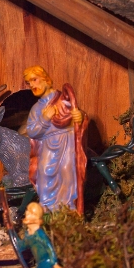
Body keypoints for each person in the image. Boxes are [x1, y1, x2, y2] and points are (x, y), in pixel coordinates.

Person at [23, 66, 88, 213]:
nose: (32, 85)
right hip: (48, 144)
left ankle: (69, 209)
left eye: (34, 80)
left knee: (67, 172)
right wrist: (45, 118)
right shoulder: (36, 109)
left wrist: (81, 117)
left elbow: (77, 115)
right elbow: (32, 132)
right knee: (44, 171)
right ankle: (48, 208)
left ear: (45, 79)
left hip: (68, 141)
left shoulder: (63, 99)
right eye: (29, 83)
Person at [19, 201, 61, 268]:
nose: (27, 214)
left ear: (36, 217)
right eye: (27, 211)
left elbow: (50, 249)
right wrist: (10, 230)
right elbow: (21, 246)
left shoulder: (40, 235)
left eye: (30, 212)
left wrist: (55, 263)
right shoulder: (29, 234)